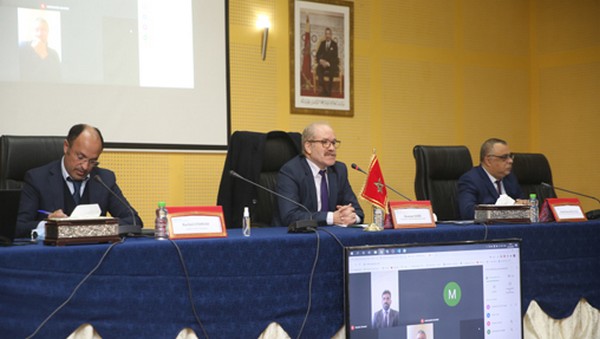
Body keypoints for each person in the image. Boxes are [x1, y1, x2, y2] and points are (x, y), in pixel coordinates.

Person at [16, 124, 143, 238]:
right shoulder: (37, 179)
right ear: (66, 147)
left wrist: (100, 225)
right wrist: (48, 225)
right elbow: (18, 227)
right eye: (80, 157)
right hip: (52, 256)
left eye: (93, 161)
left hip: (95, 254)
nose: (85, 167)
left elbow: (133, 220)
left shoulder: (104, 179)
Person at [276, 122, 364, 226]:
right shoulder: (291, 171)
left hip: (332, 235)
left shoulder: (339, 170)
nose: (332, 148)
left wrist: (352, 217)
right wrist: (331, 217)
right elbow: (290, 216)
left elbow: (357, 211)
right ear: (308, 147)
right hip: (295, 237)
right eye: (325, 142)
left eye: (333, 142)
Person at [457, 138, 525, 219]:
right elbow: (468, 212)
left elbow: (521, 202)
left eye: (510, 156)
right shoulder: (470, 180)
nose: (510, 161)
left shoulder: (510, 178)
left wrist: (524, 204)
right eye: (504, 157)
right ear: (488, 160)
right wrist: (504, 210)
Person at [19, 17, 61, 82]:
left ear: (48, 33)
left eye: (43, 30)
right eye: (36, 30)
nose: (40, 34)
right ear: (32, 32)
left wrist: (43, 54)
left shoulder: (54, 54)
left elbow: (57, 78)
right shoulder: (22, 47)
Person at [315, 27, 339, 97]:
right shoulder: (322, 43)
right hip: (323, 64)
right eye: (326, 34)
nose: (327, 35)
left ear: (331, 35)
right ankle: (323, 89)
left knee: (332, 70)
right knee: (318, 69)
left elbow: (335, 57)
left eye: (329, 34)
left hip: (330, 64)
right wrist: (320, 60)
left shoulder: (334, 45)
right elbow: (318, 54)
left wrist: (328, 63)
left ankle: (328, 91)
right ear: (325, 35)